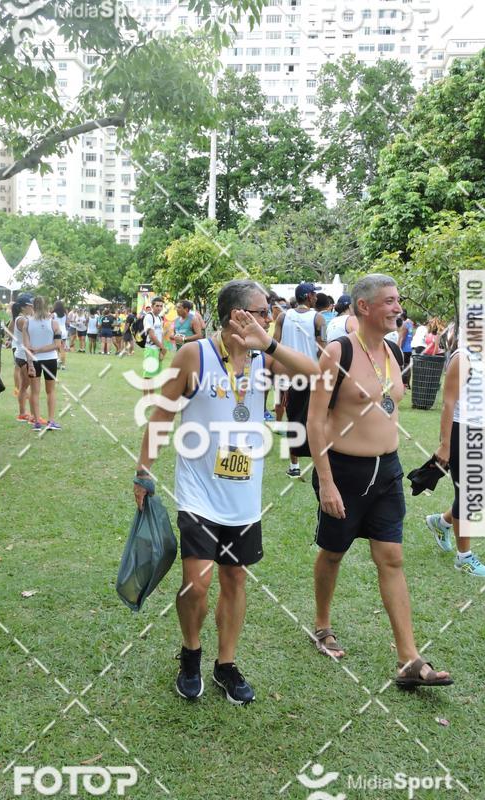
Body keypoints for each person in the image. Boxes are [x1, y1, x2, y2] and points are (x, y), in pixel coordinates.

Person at [134, 279, 320, 704]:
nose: (270, 316)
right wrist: (143, 470)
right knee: (197, 584)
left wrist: (269, 345)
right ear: (237, 315)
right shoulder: (194, 355)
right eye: (262, 310)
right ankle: (191, 653)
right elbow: (162, 414)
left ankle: (226, 664)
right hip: (198, 491)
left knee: (235, 578)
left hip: (244, 495)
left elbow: (316, 374)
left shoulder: (264, 359)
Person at [307, 274, 452, 687]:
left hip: (387, 471)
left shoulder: (392, 351)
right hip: (344, 472)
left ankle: (409, 659)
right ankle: (322, 625)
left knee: (392, 558)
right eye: (389, 301)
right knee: (333, 553)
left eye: (397, 300)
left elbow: (389, 405)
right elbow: (315, 421)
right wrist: (327, 482)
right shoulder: (337, 352)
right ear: (364, 306)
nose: (398, 308)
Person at [425, 323, 485, 577]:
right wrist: (445, 444)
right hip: (463, 431)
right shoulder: (463, 356)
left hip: (484, 430)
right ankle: (464, 557)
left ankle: (442, 521)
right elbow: (448, 403)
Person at [274, 281, 325, 478]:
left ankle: (294, 465)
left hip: (288, 378)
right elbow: (323, 349)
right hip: (311, 376)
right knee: (316, 420)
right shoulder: (318, 318)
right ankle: (318, 463)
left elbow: (274, 344)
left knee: (292, 420)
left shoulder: (283, 316)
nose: (316, 297)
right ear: (308, 296)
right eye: (314, 294)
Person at [22, 297, 62, 431]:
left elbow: (26, 346)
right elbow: (57, 345)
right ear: (47, 306)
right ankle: (50, 421)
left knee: (35, 392)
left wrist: (30, 363)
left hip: (33, 361)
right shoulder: (54, 323)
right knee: (50, 391)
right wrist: (39, 350)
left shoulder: (27, 323)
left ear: (33, 306)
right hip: (50, 360)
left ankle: (37, 422)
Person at [13, 294, 38, 424]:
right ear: (23, 307)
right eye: (30, 305)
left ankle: (22, 413)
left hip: (21, 354)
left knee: (24, 386)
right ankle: (33, 416)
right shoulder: (22, 320)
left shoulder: (22, 318)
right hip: (24, 355)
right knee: (33, 387)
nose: (32, 307)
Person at [142, 297, 166, 394]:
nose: (159, 308)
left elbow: (161, 334)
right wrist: (162, 347)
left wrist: (161, 349)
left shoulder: (159, 318)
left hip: (157, 349)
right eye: (157, 306)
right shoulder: (149, 317)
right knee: (148, 375)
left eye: (161, 306)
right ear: (152, 306)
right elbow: (152, 335)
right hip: (151, 349)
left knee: (154, 375)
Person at [397, 310, 414, 388]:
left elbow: (402, 338)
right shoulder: (410, 323)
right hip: (409, 347)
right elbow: (411, 335)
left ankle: (403, 383)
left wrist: (398, 348)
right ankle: (407, 383)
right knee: (407, 366)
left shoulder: (404, 324)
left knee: (402, 365)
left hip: (404, 348)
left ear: (402, 317)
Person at [52, 301, 68, 370]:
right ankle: (63, 365)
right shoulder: (65, 314)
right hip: (64, 331)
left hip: (57, 331)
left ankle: (57, 363)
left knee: (56, 348)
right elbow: (67, 322)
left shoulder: (54, 314)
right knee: (62, 349)